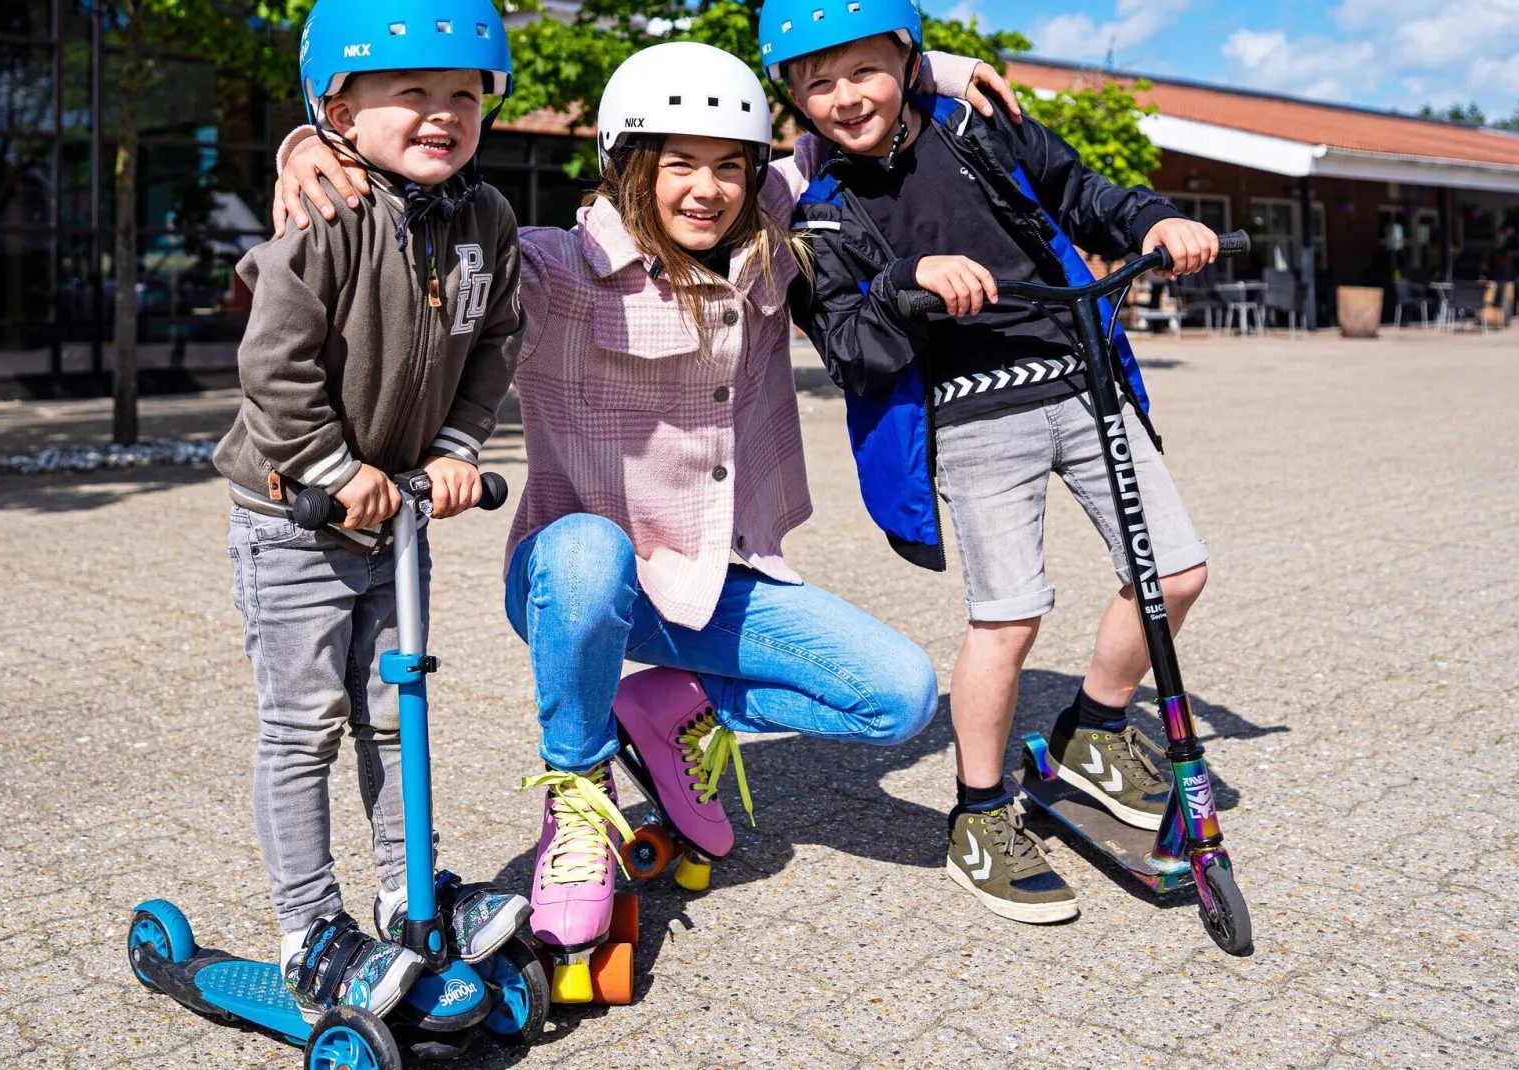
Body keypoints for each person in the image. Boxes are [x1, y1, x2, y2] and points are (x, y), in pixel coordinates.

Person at [273, 40, 1019, 1000]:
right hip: (578, 579)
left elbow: (837, 126)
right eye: (678, 165)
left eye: (729, 166)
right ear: (629, 167)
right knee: (590, 549)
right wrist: (304, 142)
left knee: (901, 698)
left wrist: (933, 71)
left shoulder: (768, 237)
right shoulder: (550, 267)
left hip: (716, 576)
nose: (707, 190)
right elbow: (421, 202)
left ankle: (671, 711)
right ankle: (578, 803)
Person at [761, 0, 1220, 923]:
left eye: (863, 71)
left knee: (1176, 572)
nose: (845, 98)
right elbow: (847, 343)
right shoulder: (818, 215)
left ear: (908, 60)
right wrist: (907, 284)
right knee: (1009, 619)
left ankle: (1093, 726)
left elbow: (1084, 190)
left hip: (1083, 385)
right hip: (974, 421)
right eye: (817, 84)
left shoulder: (979, 126)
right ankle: (978, 814)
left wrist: (1157, 222)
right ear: (794, 100)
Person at [215, 0, 531, 1022]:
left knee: (398, 713)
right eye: (412, 92)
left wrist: (455, 448)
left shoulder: (488, 221)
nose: (442, 113)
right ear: (337, 109)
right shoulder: (327, 208)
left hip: (394, 513)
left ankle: (407, 891)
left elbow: (495, 346)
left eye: (463, 95)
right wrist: (326, 461)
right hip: (295, 511)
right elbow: (274, 361)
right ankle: (310, 929)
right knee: (304, 722)